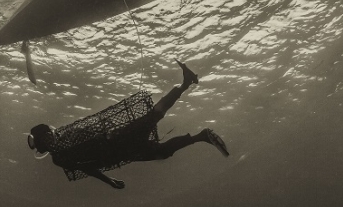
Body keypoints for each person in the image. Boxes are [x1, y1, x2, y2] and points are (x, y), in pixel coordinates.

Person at [27, 60, 229, 189]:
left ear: (47, 135)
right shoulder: (60, 158)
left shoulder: (66, 143)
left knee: (154, 117)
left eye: (44, 139)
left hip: (119, 140)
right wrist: (110, 181)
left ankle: (186, 84)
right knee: (162, 151)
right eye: (43, 143)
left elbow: (95, 133)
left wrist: (109, 177)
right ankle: (201, 135)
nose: (46, 144)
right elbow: (88, 167)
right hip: (121, 151)